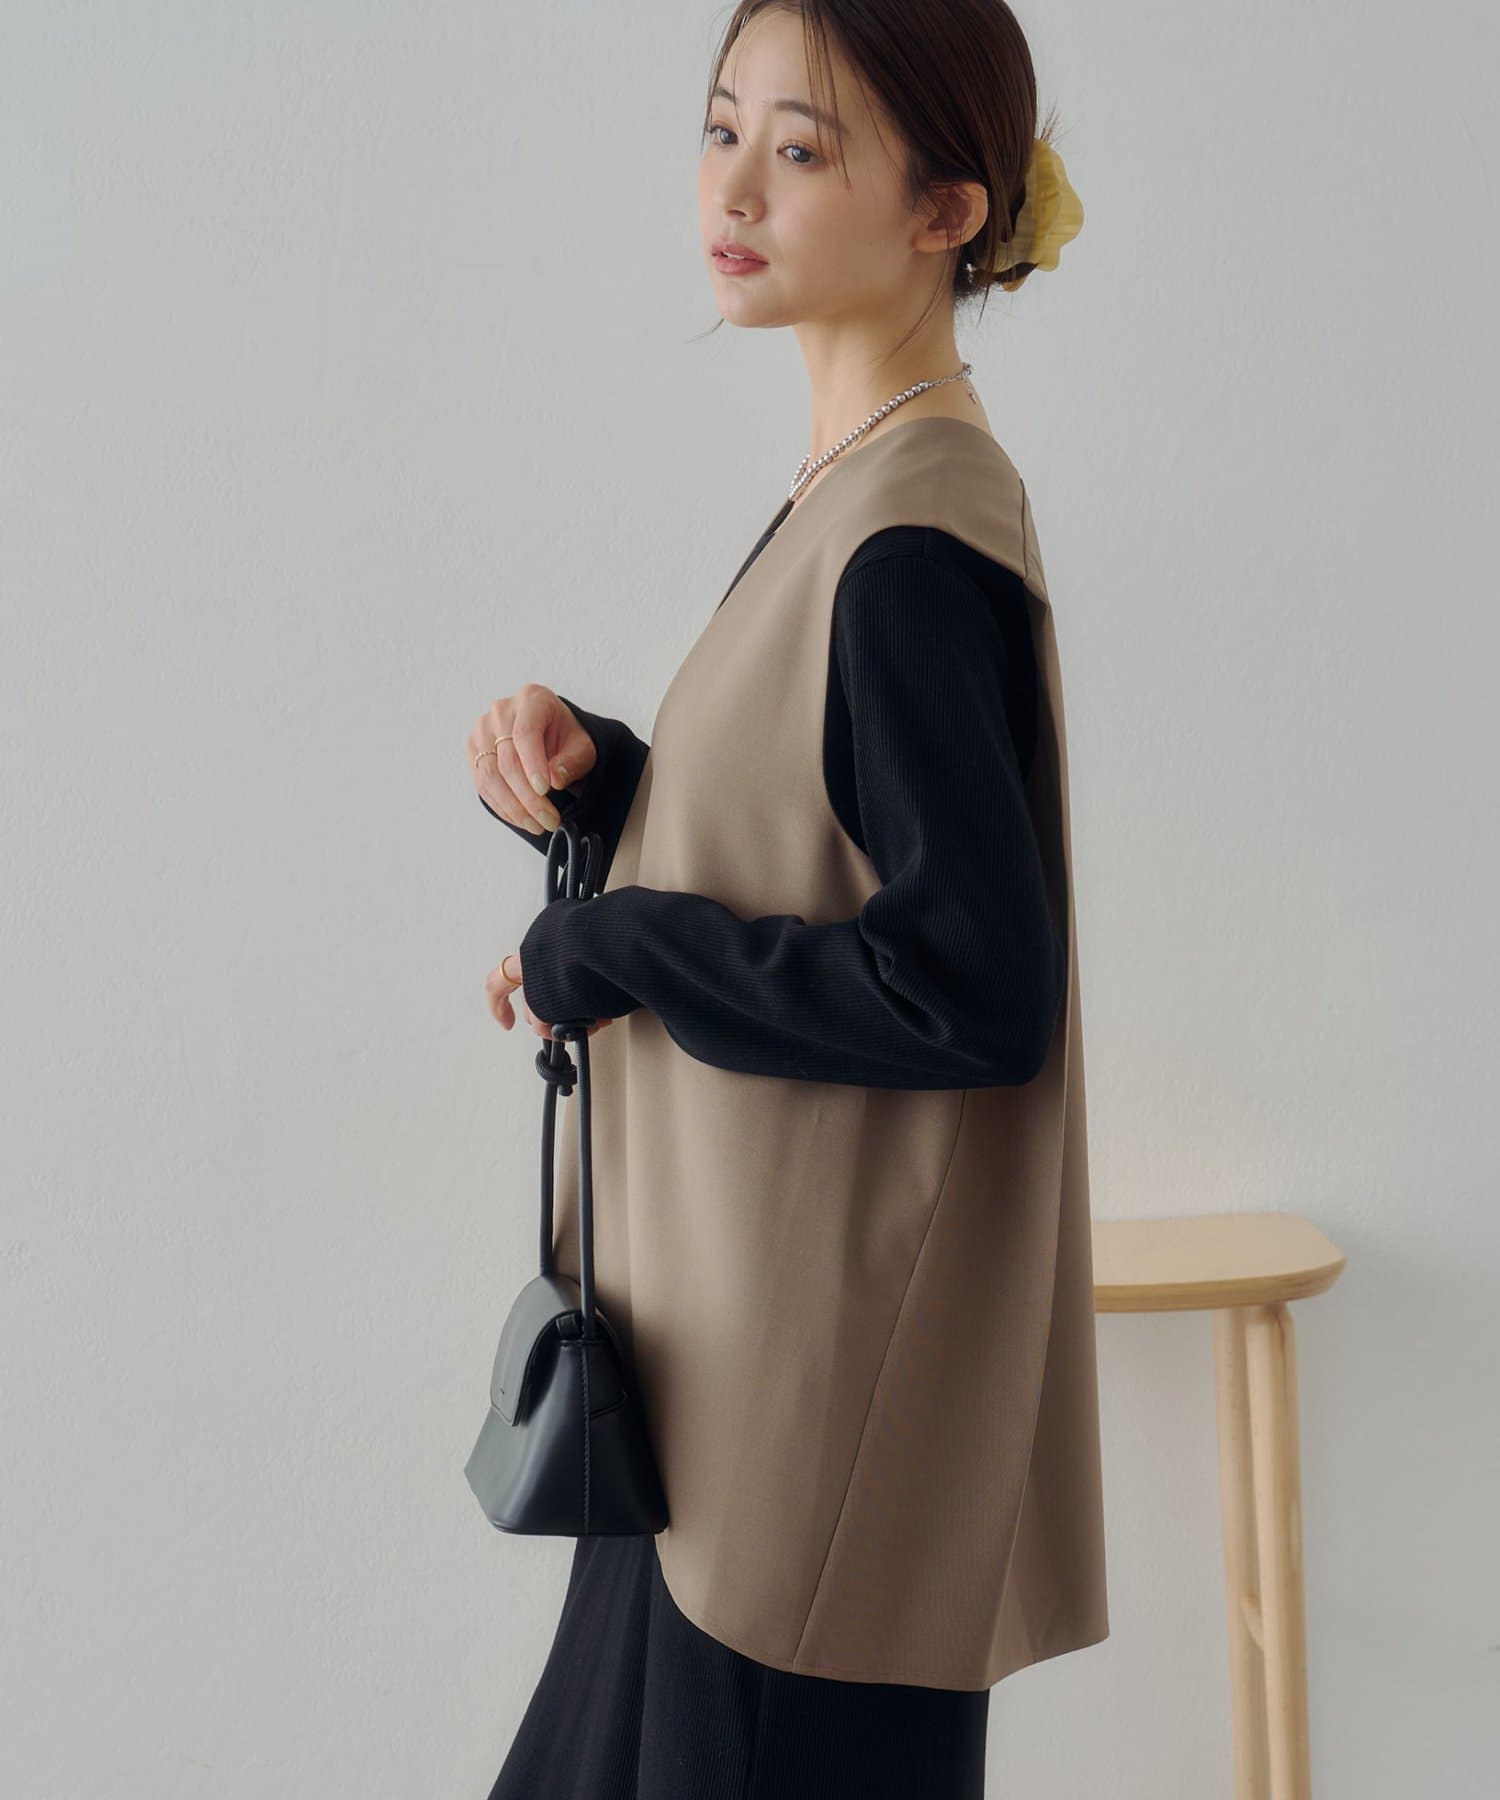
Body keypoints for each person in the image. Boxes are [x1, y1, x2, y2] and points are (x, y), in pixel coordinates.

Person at [464, 3, 1104, 1795]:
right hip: (735, 1395)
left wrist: (618, 944)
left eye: (802, 149)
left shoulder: (909, 537)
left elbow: (966, 986)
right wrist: (614, 780)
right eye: (721, 127)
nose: (733, 187)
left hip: (798, 1456)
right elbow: (830, 833)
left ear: (946, 212)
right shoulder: (870, 486)